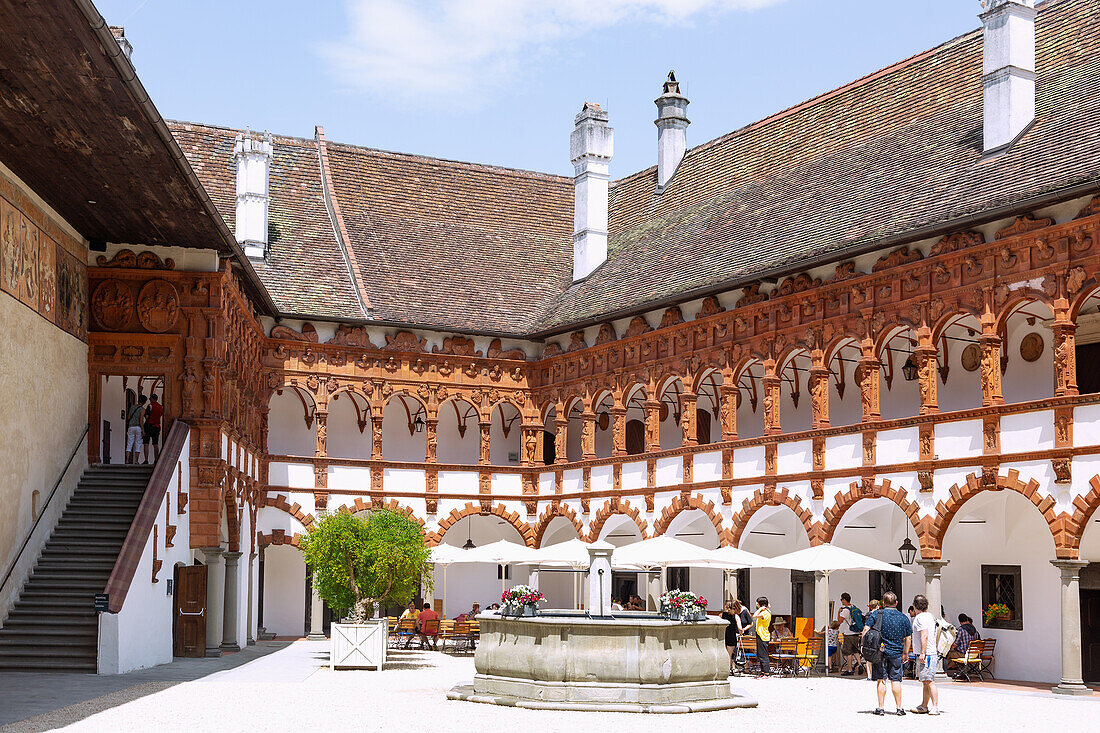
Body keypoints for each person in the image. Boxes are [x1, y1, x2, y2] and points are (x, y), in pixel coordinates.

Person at [863, 592, 912, 716]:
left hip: (880, 651)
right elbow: (908, 638)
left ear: (883, 603)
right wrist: (906, 652)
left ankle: (881, 708)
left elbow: (865, 630)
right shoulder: (903, 617)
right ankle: (899, 708)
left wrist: (865, 646)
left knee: (881, 679)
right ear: (896, 603)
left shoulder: (876, 614)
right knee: (896, 680)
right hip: (896, 652)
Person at [909, 594, 941, 715]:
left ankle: (935, 707)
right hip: (931, 652)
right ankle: (924, 705)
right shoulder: (931, 616)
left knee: (929, 681)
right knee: (925, 681)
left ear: (915, 605)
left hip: (926, 654)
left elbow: (924, 635)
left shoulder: (920, 618)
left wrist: (922, 652)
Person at [836, 592, 863, 676]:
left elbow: (839, 621)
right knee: (855, 650)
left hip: (848, 633)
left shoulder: (845, 610)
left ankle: (850, 669)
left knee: (848, 652)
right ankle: (860, 664)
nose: (841, 601)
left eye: (841, 599)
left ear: (844, 600)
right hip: (855, 632)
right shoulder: (854, 607)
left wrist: (839, 612)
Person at [753, 596, 772, 677]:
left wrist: (760, 609)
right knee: (760, 655)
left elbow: (754, 615)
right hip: (760, 634)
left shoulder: (765, 613)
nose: (756, 604)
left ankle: (766, 673)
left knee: (764, 655)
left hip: (763, 635)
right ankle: (762, 672)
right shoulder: (764, 612)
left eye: (757, 603)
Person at [125, 395, 146, 465]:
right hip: (138, 428)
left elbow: (128, 417)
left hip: (131, 427)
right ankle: (136, 461)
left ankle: (127, 460)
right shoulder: (143, 409)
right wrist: (143, 430)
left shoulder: (132, 407)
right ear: (144, 402)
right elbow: (141, 421)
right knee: (138, 444)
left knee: (129, 443)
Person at [142, 393, 163, 464]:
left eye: (150, 398)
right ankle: (156, 459)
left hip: (149, 425)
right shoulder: (161, 407)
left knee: (146, 443)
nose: (149, 399)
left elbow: (147, 416)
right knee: (155, 444)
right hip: (156, 426)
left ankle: (146, 460)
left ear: (152, 399)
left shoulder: (150, 406)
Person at [722, 601, 740, 674]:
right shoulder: (736, 616)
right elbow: (740, 627)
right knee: (730, 654)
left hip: (723, 636)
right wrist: (741, 632)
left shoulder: (721, 615)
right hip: (731, 636)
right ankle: (731, 668)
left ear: (725, 606)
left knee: (725, 654)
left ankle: (728, 668)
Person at [864, 600, 880, 680]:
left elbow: (865, 628)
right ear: (878, 606)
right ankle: (878, 674)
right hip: (878, 637)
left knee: (868, 656)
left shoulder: (868, 615)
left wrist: (863, 641)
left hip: (869, 637)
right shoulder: (880, 615)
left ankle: (869, 676)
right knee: (878, 655)